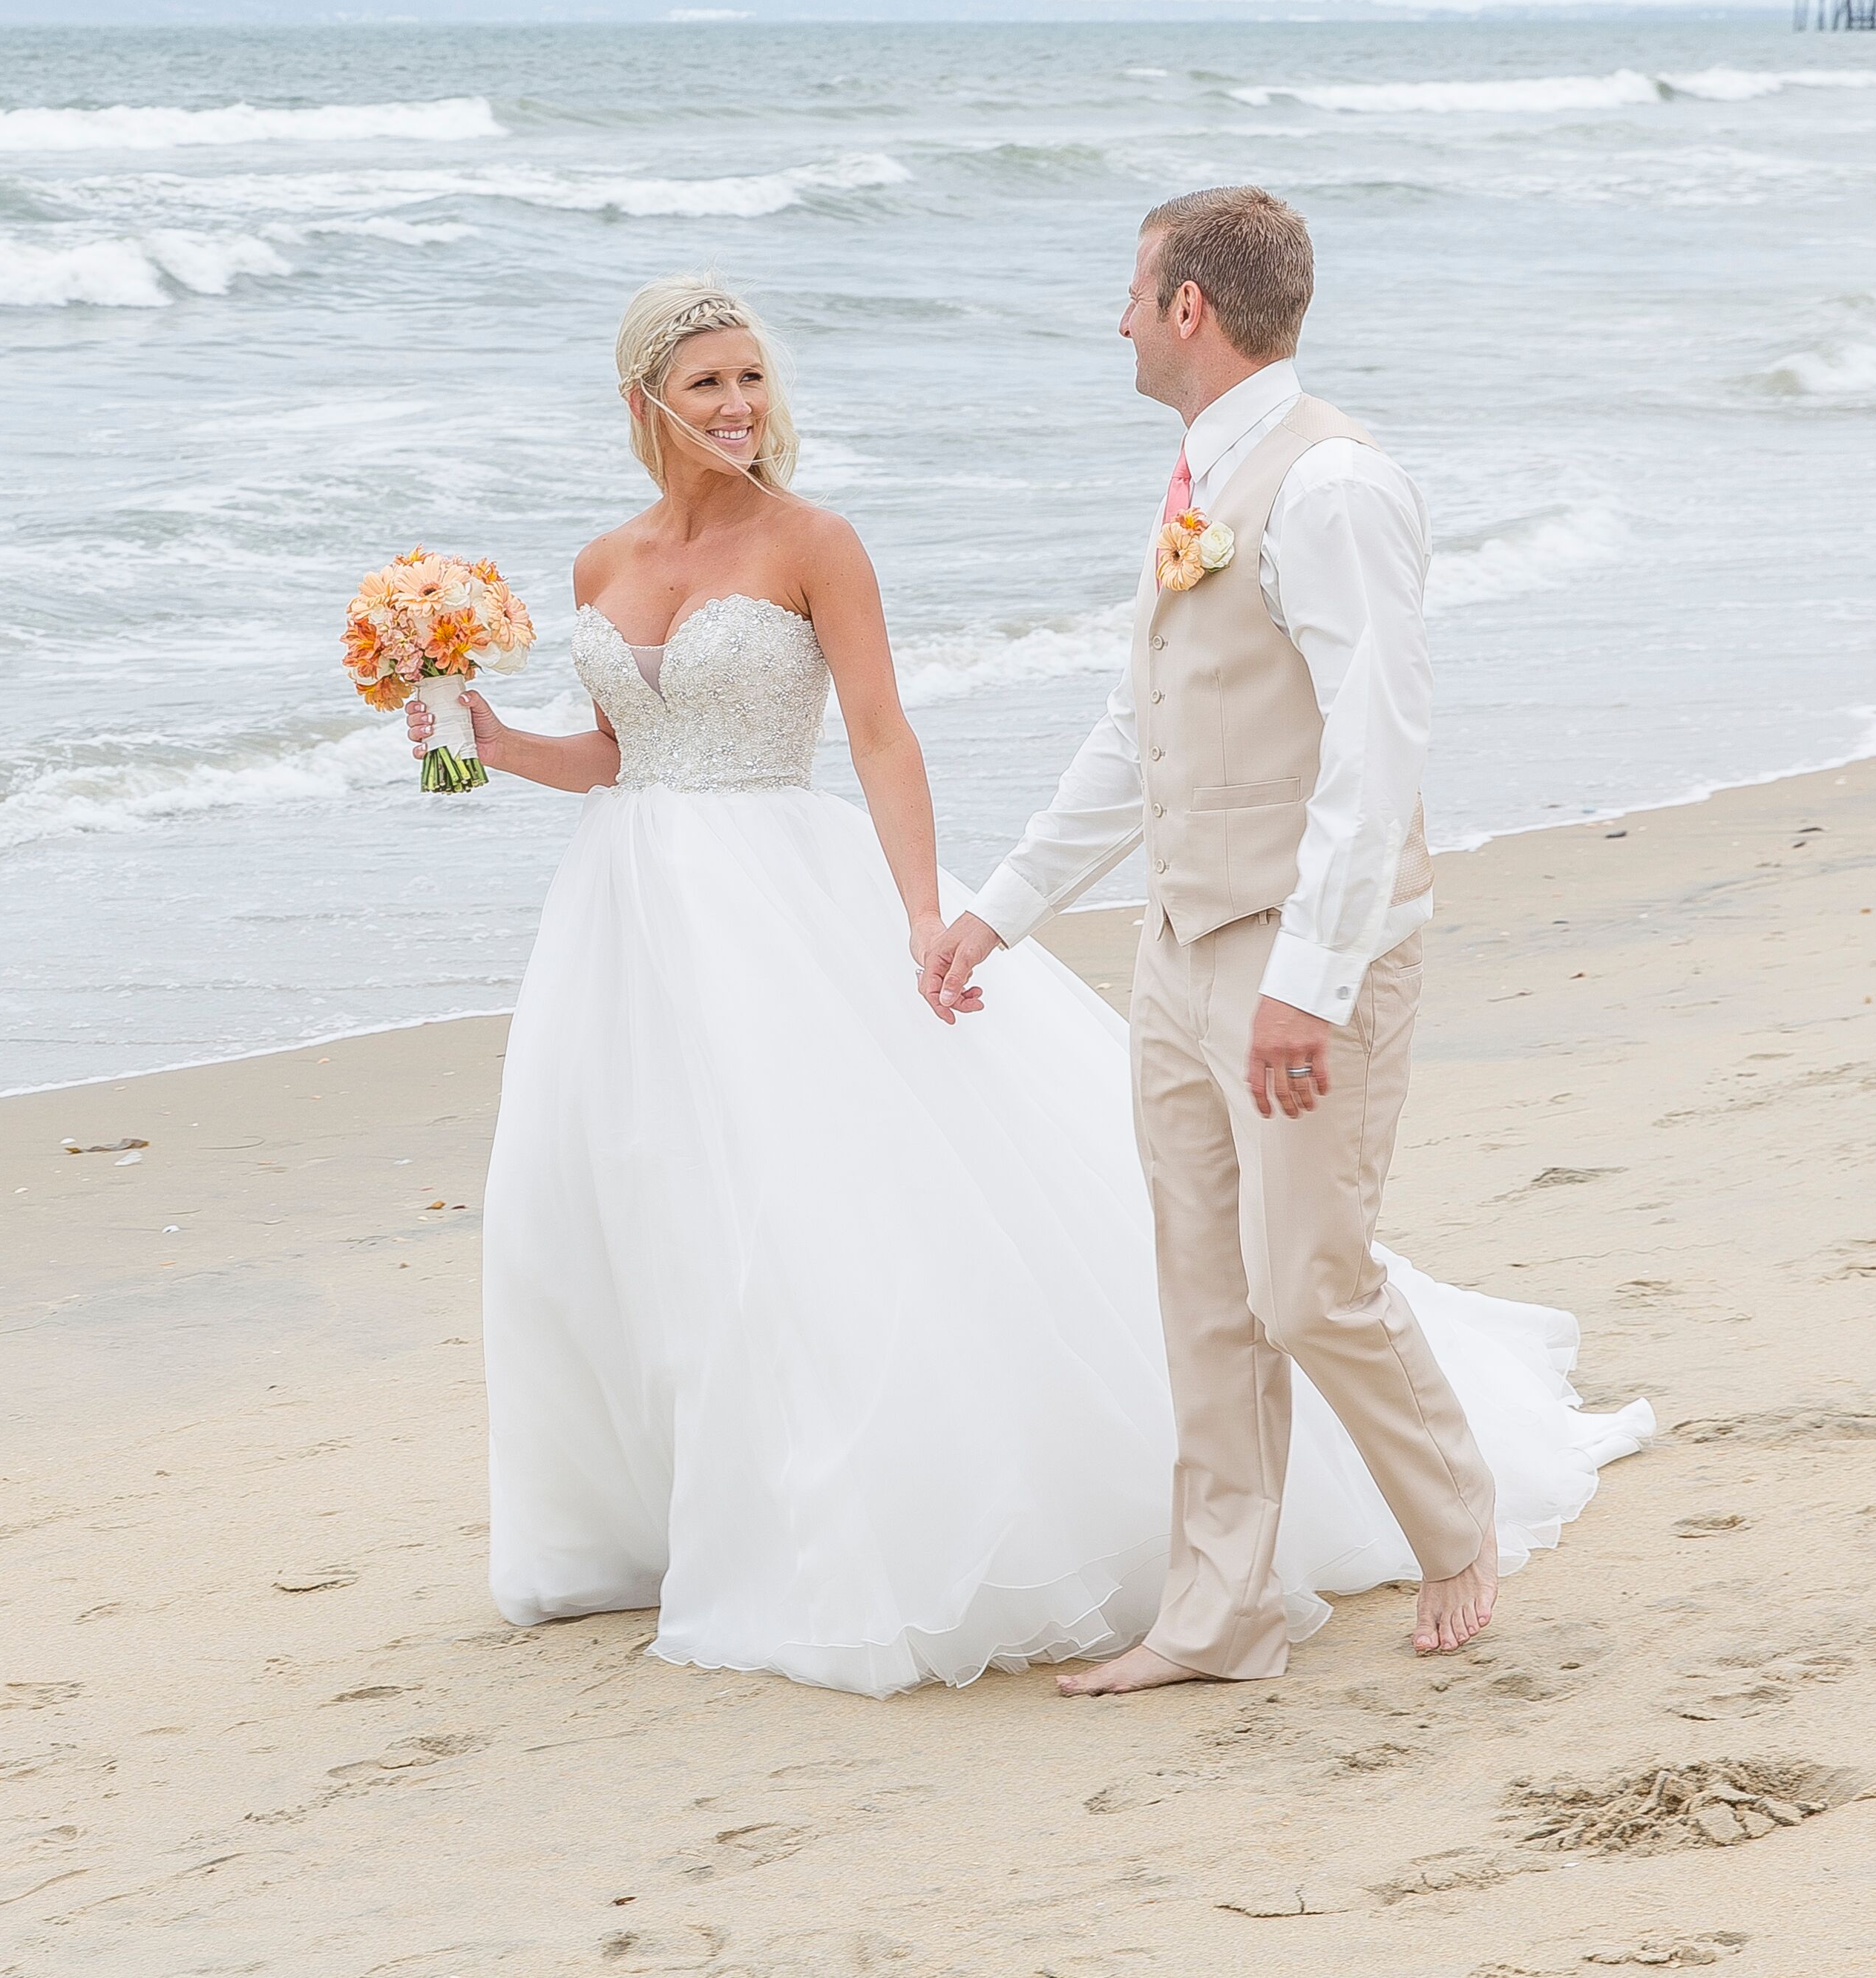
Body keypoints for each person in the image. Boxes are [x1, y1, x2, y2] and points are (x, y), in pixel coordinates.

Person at [421, 269, 1645, 1698]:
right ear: (644, 401)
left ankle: (882, 1534)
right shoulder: (597, 564)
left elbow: (879, 735)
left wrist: (933, 909)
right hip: (625, 916)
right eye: (707, 384)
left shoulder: (816, 542)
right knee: (629, 1210)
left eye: (752, 377)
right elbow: (621, 753)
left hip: (778, 897)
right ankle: (670, 1519)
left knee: (809, 1220)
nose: (739, 406)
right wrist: (492, 739)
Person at [925, 185, 1508, 1692]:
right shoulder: (1197, 479)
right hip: (1176, 945)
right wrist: (997, 910)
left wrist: (1308, 985)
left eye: (1131, 291)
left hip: (1301, 953)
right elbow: (1140, 735)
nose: (1114, 318)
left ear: (1189, 307)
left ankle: (1455, 1525)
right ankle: (1218, 1610)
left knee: (1305, 1277)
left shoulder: (1334, 488)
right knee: (1203, 1292)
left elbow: (1378, 750)